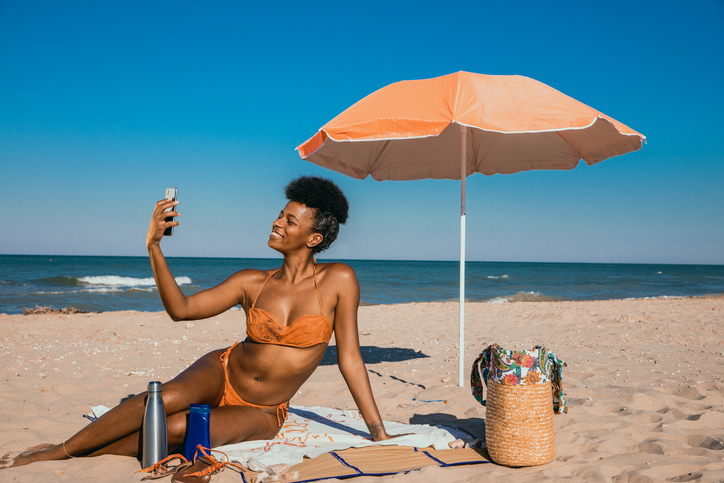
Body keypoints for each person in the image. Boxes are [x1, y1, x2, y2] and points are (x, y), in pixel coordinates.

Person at [1, 176, 395, 470]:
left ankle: (92, 450)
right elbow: (182, 310)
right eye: (279, 215)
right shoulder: (250, 282)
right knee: (163, 400)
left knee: (176, 428)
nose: (277, 223)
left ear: (314, 238)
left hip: (262, 409)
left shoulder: (340, 280)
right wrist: (154, 246)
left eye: (291, 222)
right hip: (222, 370)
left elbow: (350, 360)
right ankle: (56, 451)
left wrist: (377, 432)